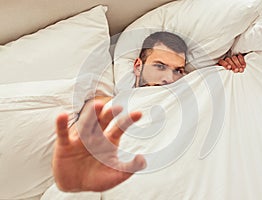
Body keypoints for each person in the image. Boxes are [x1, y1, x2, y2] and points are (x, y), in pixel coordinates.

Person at [52, 31, 246, 192]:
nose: (168, 78)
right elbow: (72, 159)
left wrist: (227, 70)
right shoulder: (104, 107)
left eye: (178, 71)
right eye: (160, 66)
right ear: (138, 66)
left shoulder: (192, 95)